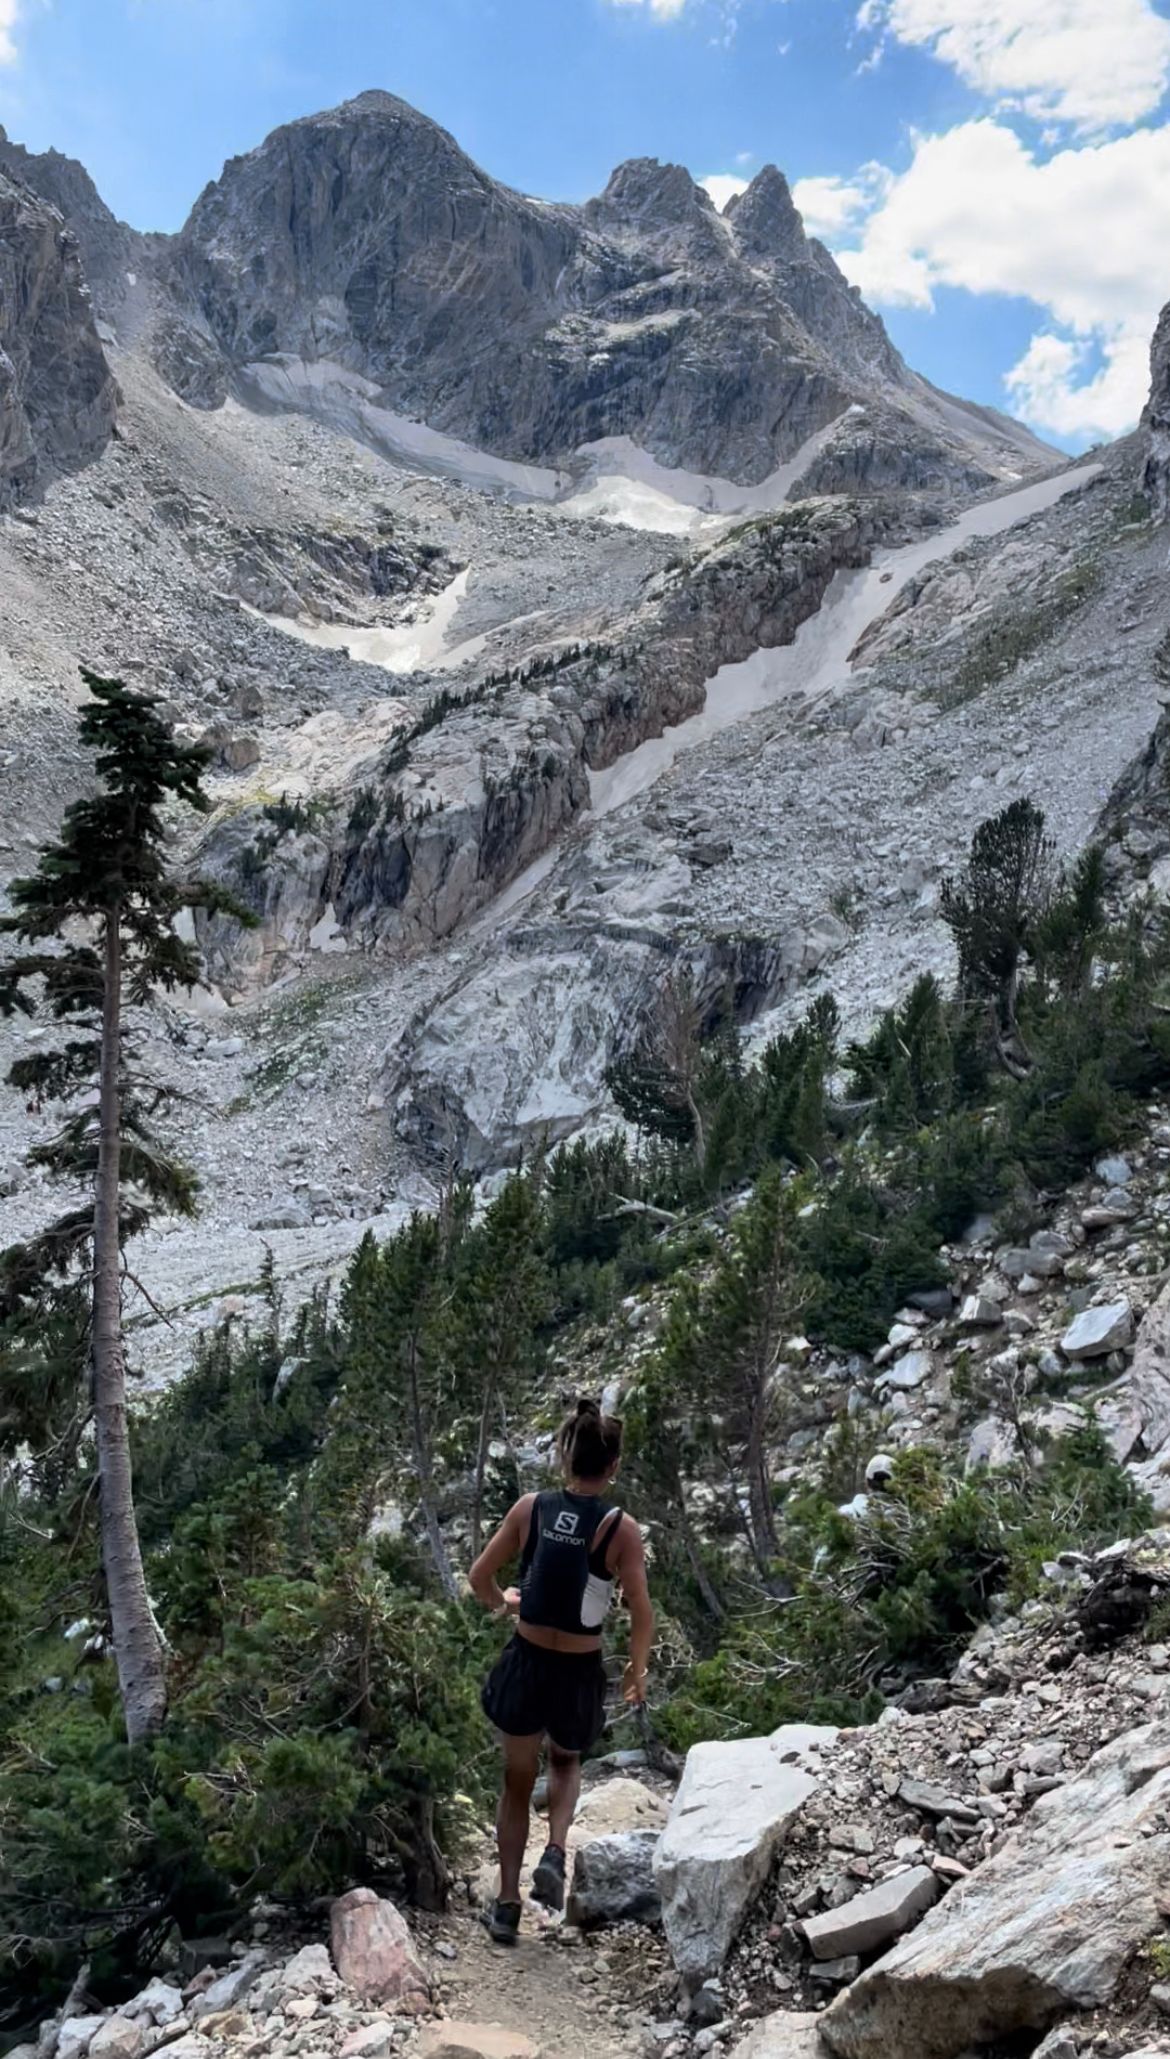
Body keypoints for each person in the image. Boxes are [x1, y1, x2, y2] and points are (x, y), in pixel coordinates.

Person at [468, 1397, 654, 1944]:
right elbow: (641, 1609)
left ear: (564, 1456)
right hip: (577, 1669)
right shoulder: (622, 1528)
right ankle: (554, 1851)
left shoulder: (532, 1508)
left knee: (516, 1780)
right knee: (567, 1760)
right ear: (613, 1466)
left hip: (526, 1661)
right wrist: (636, 1670)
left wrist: (504, 1601)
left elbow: (481, 1575)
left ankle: (506, 1907)